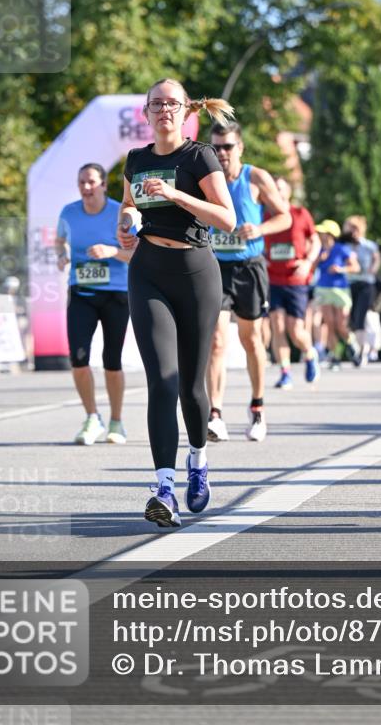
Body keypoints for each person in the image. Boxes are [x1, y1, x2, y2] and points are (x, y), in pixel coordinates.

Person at [116, 79, 236, 529]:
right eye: (156, 103)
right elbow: (127, 208)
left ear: (186, 111)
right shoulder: (137, 160)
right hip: (147, 270)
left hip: (196, 273)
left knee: (191, 385)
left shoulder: (199, 156)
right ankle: (163, 488)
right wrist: (127, 221)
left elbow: (227, 218)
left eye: (171, 103)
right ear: (145, 113)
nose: (164, 109)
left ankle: (198, 461)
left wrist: (176, 196)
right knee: (161, 381)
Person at [206, 122, 291, 444]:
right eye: (216, 148)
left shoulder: (255, 177)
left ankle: (257, 407)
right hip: (216, 267)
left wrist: (260, 230)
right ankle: (215, 414)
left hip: (250, 267)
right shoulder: (207, 181)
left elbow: (285, 216)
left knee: (251, 339)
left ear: (240, 147)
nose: (222, 154)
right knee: (216, 340)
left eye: (227, 147)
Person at [56, 163, 133, 446]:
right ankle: (91, 417)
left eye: (91, 182)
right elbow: (60, 240)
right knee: (78, 358)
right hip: (82, 293)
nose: (86, 187)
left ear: (103, 185)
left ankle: (116, 422)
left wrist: (113, 250)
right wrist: (61, 255)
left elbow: (135, 253)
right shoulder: (69, 212)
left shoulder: (118, 212)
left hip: (116, 294)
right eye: (81, 182)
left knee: (111, 361)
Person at [264, 177, 322, 390]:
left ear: (288, 192)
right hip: (273, 278)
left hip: (296, 279)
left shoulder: (300, 214)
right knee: (277, 326)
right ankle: (285, 372)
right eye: (274, 189)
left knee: (295, 330)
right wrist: (262, 257)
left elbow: (315, 241)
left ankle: (309, 353)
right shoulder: (266, 215)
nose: (277, 193)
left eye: (280, 189)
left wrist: (308, 262)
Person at [313, 220, 362, 369]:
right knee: (329, 324)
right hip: (323, 289)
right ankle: (334, 356)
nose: (320, 235)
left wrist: (341, 269)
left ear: (331, 235)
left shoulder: (342, 249)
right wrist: (318, 260)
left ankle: (352, 345)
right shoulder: (319, 250)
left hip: (341, 290)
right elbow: (311, 266)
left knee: (341, 325)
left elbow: (356, 267)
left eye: (323, 233)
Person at [342, 215, 381, 364]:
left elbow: (377, 258)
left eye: (355, 228)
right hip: (350, 284)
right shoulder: (345, 246)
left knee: (361, 316)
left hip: (366, 284)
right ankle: (355, 348)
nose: (353, 232)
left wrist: (373, 268)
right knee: (349, 319)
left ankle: (362, 352)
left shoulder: (369, 246)